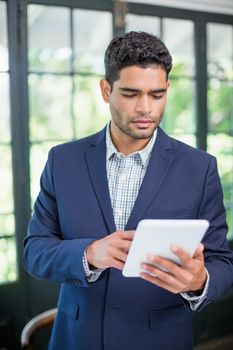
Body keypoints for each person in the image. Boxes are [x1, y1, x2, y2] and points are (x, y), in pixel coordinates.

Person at [24, 31, 233, 350]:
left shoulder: (200, 168)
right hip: (78, 339)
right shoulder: (62, 161)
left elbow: (222, 261)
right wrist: (89, 254)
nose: (145, 108)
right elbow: (35, 251)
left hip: (161, 340)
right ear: (106, 90)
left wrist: (200, 281)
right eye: (131, 93)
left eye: (157, 94)